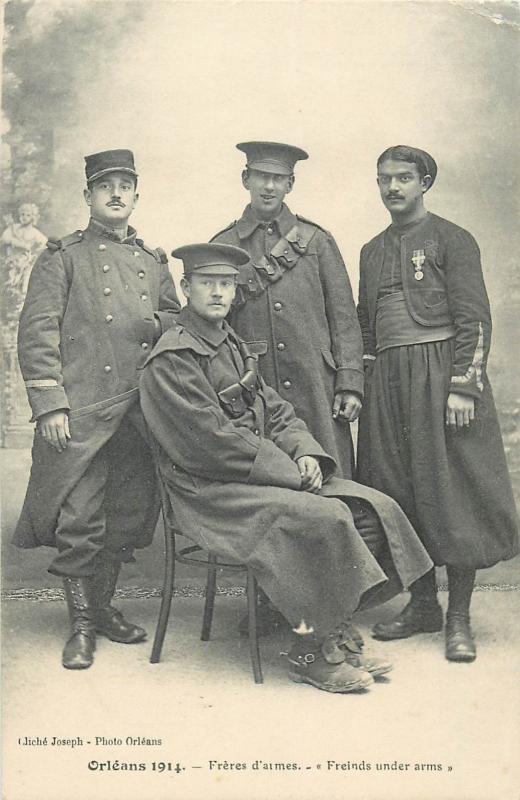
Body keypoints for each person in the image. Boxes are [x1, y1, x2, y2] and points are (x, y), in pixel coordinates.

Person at [140, 242, 434, 694]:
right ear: (185, 287)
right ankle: (312, 653)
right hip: (207, 491)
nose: (218, 293)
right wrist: (290, 473)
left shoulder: (229, 343)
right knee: (324, 517)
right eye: (207, 283)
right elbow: (209, 445)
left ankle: (321, 627)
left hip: (253, 475)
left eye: (226, 284)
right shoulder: (175, 357)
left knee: (371, 509)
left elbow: (274, 409)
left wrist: (306, 454)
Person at [13, 149, 180, 669]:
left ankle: (103, 610)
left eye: (125, 185)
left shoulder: (155, 262)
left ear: (136, 195)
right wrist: (50, 405)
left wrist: (156, 331)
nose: (115, 194)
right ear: (88, 196)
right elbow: (37, 333)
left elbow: (175, 325)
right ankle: (81, 627)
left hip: (136, 415)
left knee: (124, 518)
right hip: (82, 414)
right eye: (104, 186)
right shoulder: (61, 257)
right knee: (80, 520)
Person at [357, 145, 519, 662]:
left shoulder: (453, 239)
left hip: (441, 377)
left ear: (425, 182)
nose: (392, 188)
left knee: (453, 494)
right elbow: (366, 324)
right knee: (398, 488)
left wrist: (462, 385)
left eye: (404, 178)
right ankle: (422, 604)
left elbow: (475, 318)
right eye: (384, 179)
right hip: (389, 382)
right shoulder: (370, 250)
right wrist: (364, 382)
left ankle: (458, 617)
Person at [211, 141, 363, 480]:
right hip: (254, 387)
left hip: (316, 385)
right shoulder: (222, 246)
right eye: (261, 176)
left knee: (334, 480)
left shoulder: (316, 241)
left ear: (290, 184)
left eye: (278, 178)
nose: (268, 186)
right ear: (245, 179)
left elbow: (344, 318)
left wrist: (349, 382)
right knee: (267, 485)